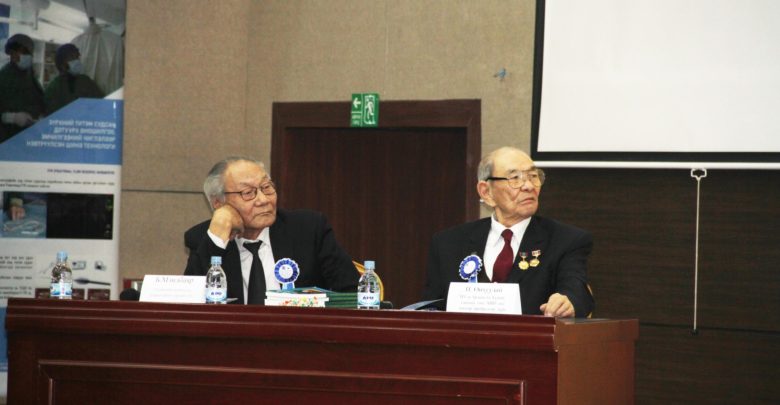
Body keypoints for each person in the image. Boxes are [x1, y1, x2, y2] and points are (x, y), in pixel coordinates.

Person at [423, 146, 594, 317]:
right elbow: (431, 308)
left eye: (533, 176)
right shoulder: (448, 243)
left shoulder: (566, 240)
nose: (529, 186)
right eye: (515, 178)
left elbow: (578, 292)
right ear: (486, 192)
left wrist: (568, 301)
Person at [184, 156, 359, 304]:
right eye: (248, 192)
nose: (263, 200)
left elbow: (353, 292)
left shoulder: (308, 230)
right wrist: (217, 238)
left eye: (266, 187)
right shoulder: (203, 238)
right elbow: (188, 303)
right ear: (218, 203)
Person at [0, 34, 45, 143]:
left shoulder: (30, 75)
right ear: (11, 53)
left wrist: (42, 116)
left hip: (30, 136)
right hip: (9, 138)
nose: (27, 56)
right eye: (23, 52)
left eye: (29, 52)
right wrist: (11, 117)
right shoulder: (4, 77)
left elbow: (40, 98)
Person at [44, 44, 104, 114]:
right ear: (62, 64)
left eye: (77, 57)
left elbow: (101, 103)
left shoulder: (85, 81)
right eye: (72, 58)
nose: (77, 61)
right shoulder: (53, 88)